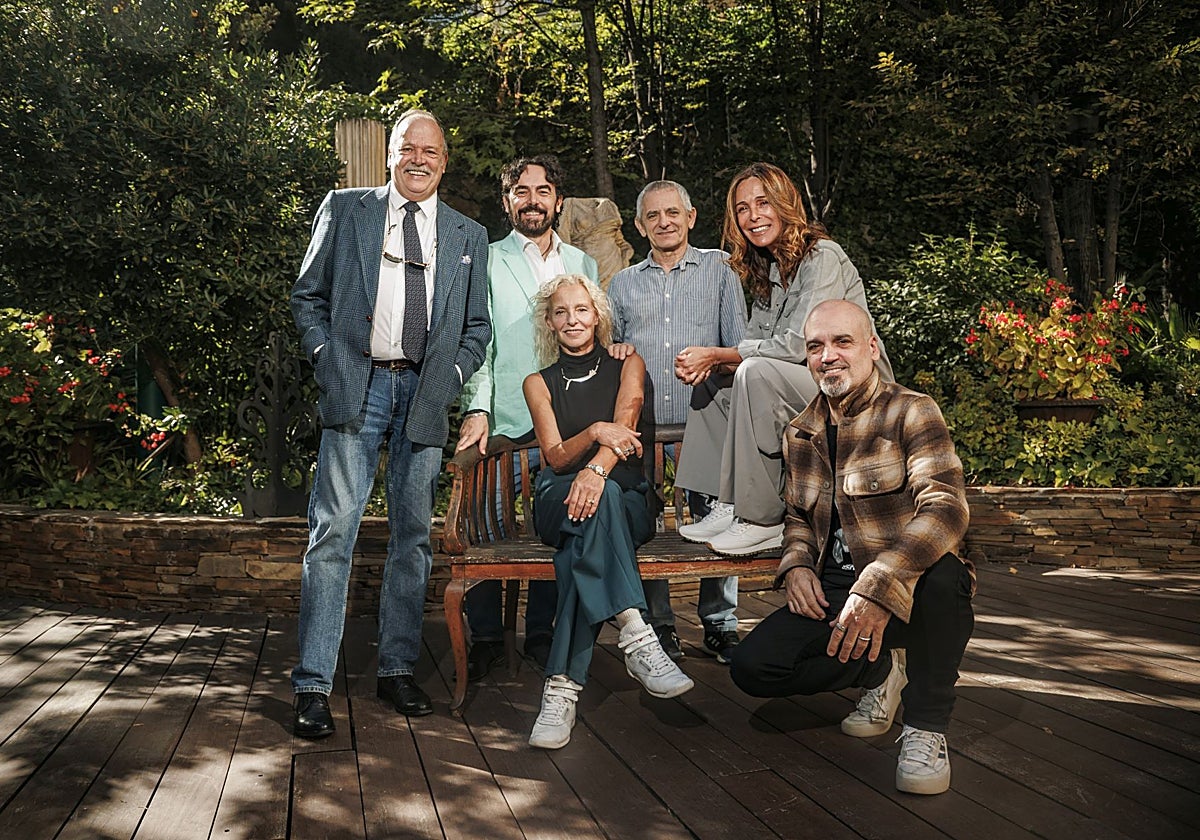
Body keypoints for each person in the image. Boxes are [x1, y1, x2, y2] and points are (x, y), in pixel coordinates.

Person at [289, 109, 491, 737]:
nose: (419, 158)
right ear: (389, 154)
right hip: (358, 387)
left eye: (431, 150)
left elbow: (476, 329)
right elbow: (307, 295)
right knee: (334, 535)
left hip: (425, 397)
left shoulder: (467, 234)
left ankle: (397, 669)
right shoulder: (346, 209)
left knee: (413, 537)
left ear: (444, 160)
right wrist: (326, 357)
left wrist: (452, 379)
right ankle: (314, 686)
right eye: (408, 147)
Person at [730, 300, 974, 796]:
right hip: (837, 583)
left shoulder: (911, 410)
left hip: (907, 575)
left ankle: (925, 727)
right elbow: (798, 516)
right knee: (753, 667)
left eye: (842, 342)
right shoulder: (800, 431)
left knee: (948, 580)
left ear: (871, 348)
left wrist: (880, 584)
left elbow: (946, 506)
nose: (828, 356)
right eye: (816, 346)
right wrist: (797, 566)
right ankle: (883, 670)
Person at [675, 162, 894, 556]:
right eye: (742, 208)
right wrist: (711, 363)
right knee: (714, 383)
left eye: (763, 203)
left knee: (753, 373)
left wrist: (722, 354)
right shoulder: (771, 271)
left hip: (851, 386)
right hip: (805, 385)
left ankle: (761, 519)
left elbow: (799, 345)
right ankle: (727, 499)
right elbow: (755, 342)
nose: (753, 216)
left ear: (785, 203)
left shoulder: (822, 255)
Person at [522, 274, 693, 749]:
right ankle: (637, 635)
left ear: (597, 315)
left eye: (581, 309)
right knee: (595, 512)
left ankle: (561, 688)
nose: (572, 319)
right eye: (561, 312)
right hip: (559, 497)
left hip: (624, 494)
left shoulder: (628, 362)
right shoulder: (537, 383)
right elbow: (555, 456)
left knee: (599, 516)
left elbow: (628, 420)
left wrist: (595, 471)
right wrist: (595, 430)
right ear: (550, 324)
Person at [456, 156, 599, 681]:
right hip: (505, 425)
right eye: (521, 190)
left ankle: (542, 633)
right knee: (487, 530)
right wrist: (479, 406)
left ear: (559, 200)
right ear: (507, 200)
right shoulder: (486, 260)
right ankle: (488, 638)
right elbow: (479, 343)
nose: (533, 199)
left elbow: (592, 338)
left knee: (554, 530)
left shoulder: (584, 264)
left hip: (568, 427)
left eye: (543, 190)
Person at [608, 180, 748, 664]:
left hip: (708, 424)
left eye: (673, 212)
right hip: (645, 429)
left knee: (719, 523)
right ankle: (660, 625)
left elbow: (742, 348)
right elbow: (615, 357)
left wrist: (714, 362)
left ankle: (719, 623)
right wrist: (618, 351)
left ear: (691, 217)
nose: (664, 222)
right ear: (639, 224)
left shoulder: (721, 269)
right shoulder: (622, 284)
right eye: (653, 215)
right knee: (647, 525)